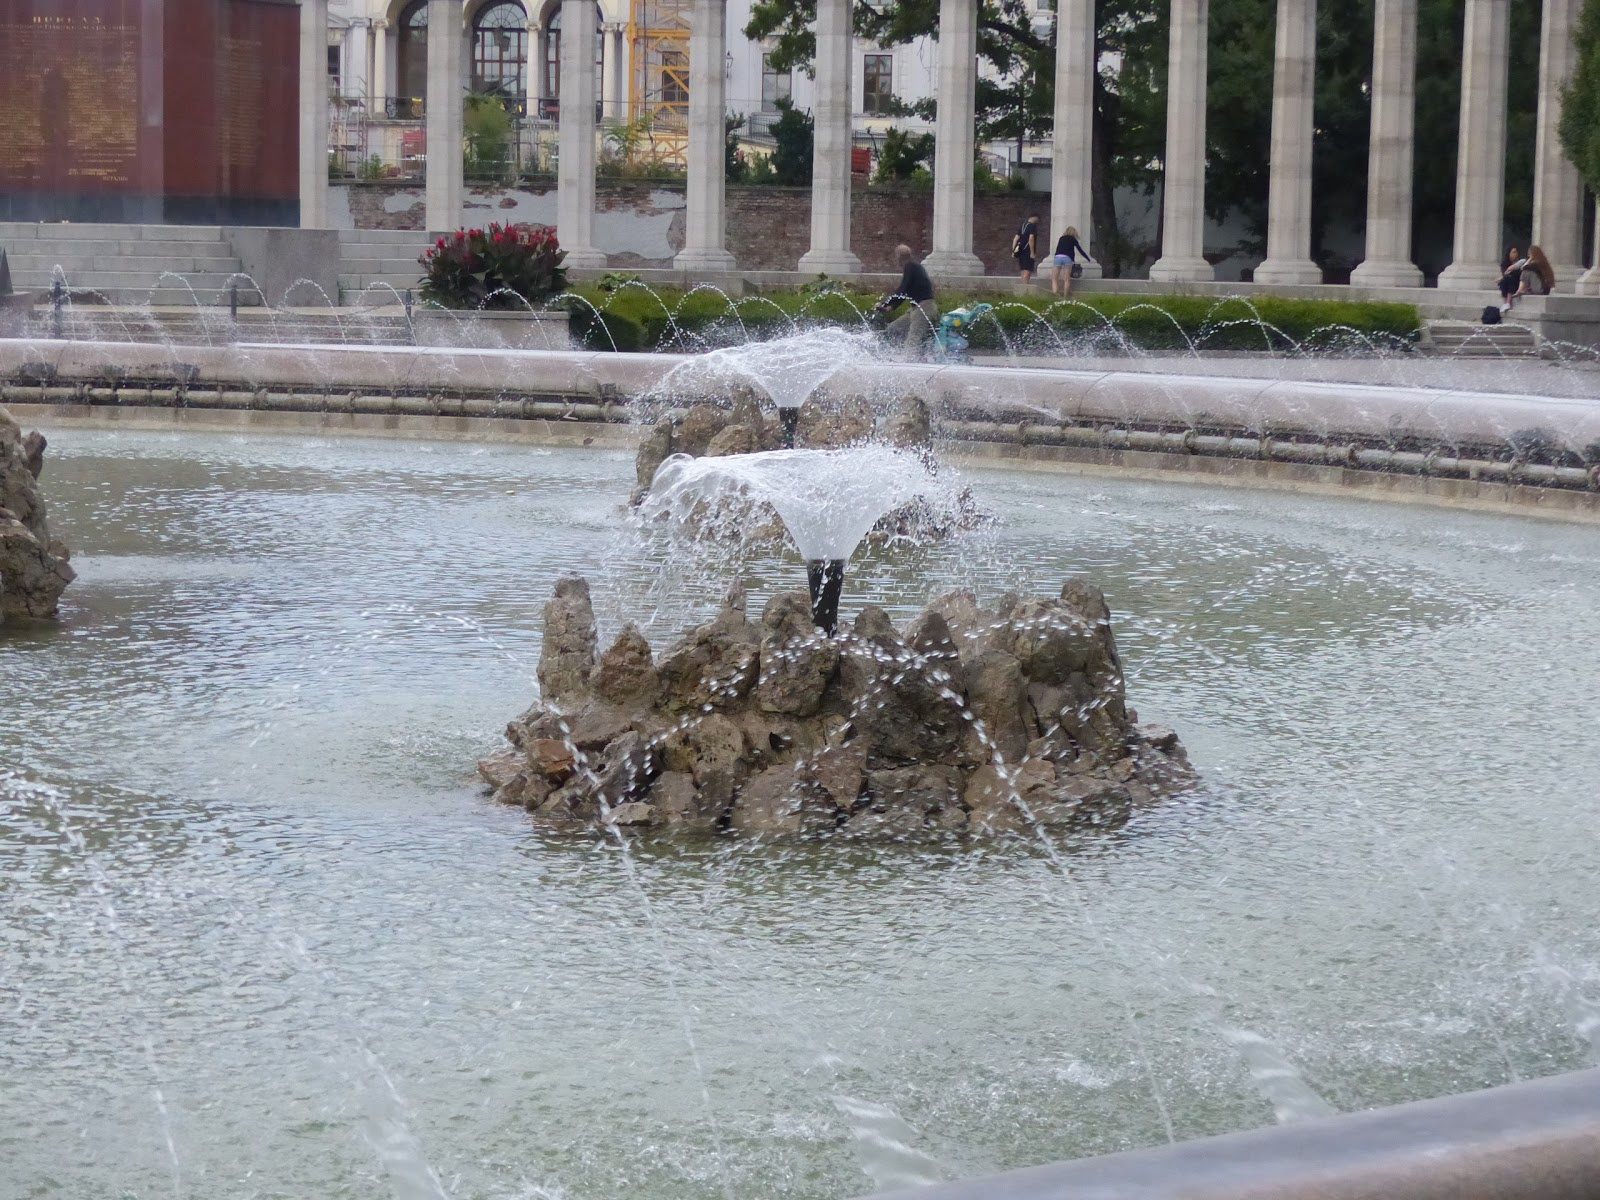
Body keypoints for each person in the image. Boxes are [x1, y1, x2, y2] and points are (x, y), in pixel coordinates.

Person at [878, 244, 939, 356]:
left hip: (924, 308)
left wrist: (885, 303)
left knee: (913, 339)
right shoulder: (913, 267)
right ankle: (890, 353)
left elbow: (903, 288)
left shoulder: (911, 266)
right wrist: (892, 306)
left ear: (899, 256)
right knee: (893, 329)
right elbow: (905, 291)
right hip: (916, 308)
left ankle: (911, 362)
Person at [1050, 226, 1093, 297]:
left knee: (1054, 278)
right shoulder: (1073, 239)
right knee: (1066, 279)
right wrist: (1088, 258)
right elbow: (1080, 250)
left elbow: (1058, 248)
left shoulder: (1061, 238)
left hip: (1058, 257)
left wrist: (1056, 257)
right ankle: (1065, 297)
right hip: (1068, 258)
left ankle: (1055, 294)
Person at [1013, 214, 1041, 284]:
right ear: (1034, 217)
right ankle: (1025, 287)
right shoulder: (1032, 226)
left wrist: (1013, 250)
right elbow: (1031, 238)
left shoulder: (1022, 226)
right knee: (1028, 270)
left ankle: (1022, 287)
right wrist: (1032, 252)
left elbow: (1015, 239)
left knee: (1023, 270)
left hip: (1020, 251)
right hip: (1028, 251)